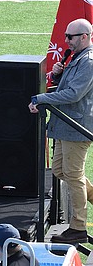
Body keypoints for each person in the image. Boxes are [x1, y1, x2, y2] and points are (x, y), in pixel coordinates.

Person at [29, 18, 93, 244]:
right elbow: (68, 88)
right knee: (60, 170)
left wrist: (41, 98)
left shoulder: (88, 62)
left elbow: (74, 94)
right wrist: (57, 75)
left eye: (70, 37)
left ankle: (77, 227)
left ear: (84, 36)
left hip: (77, 127)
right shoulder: (77, 57)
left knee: (74, 176)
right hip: (66, 125)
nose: (66, 41)